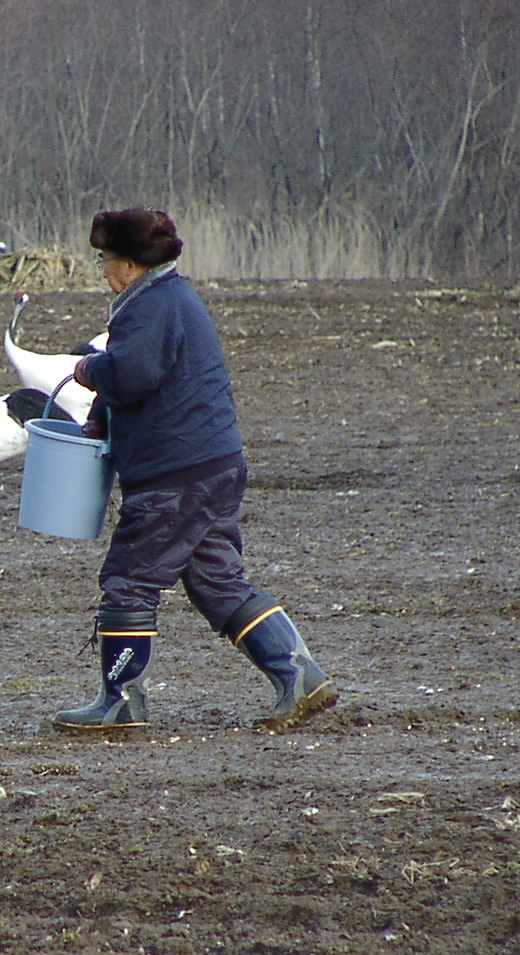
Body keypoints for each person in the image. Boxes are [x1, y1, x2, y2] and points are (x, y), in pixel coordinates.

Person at [52, 208, 336, 732]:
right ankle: (299, 674)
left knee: (129, 579)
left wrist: (88, 368)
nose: (102, 268)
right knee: (216, 580)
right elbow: (151, 378)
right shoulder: (169, 299)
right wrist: (99, 418)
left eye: (105, 259)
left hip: (174, 475)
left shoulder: (149, 307)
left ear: (132, 265)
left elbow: (132, 374)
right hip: (214, 464)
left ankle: (119, 703)